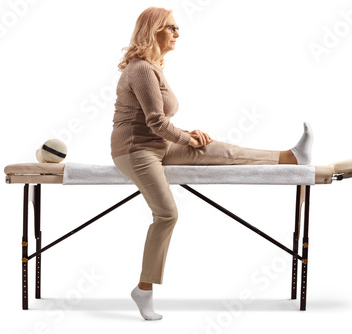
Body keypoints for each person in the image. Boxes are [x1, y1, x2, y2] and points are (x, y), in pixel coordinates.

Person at [110, 6, 313, 321]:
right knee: (166, 214)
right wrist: (185, 139)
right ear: (154, 31)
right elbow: (154, 122)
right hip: (134, 150)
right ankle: (144, 289)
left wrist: (188, 135)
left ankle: (290, 157)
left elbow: (160, 125)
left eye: (177, 27)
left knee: (220, 150)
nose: (178, 32)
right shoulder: (140, 69)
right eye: (171, 27)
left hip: (159, 144)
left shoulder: (154, 67)